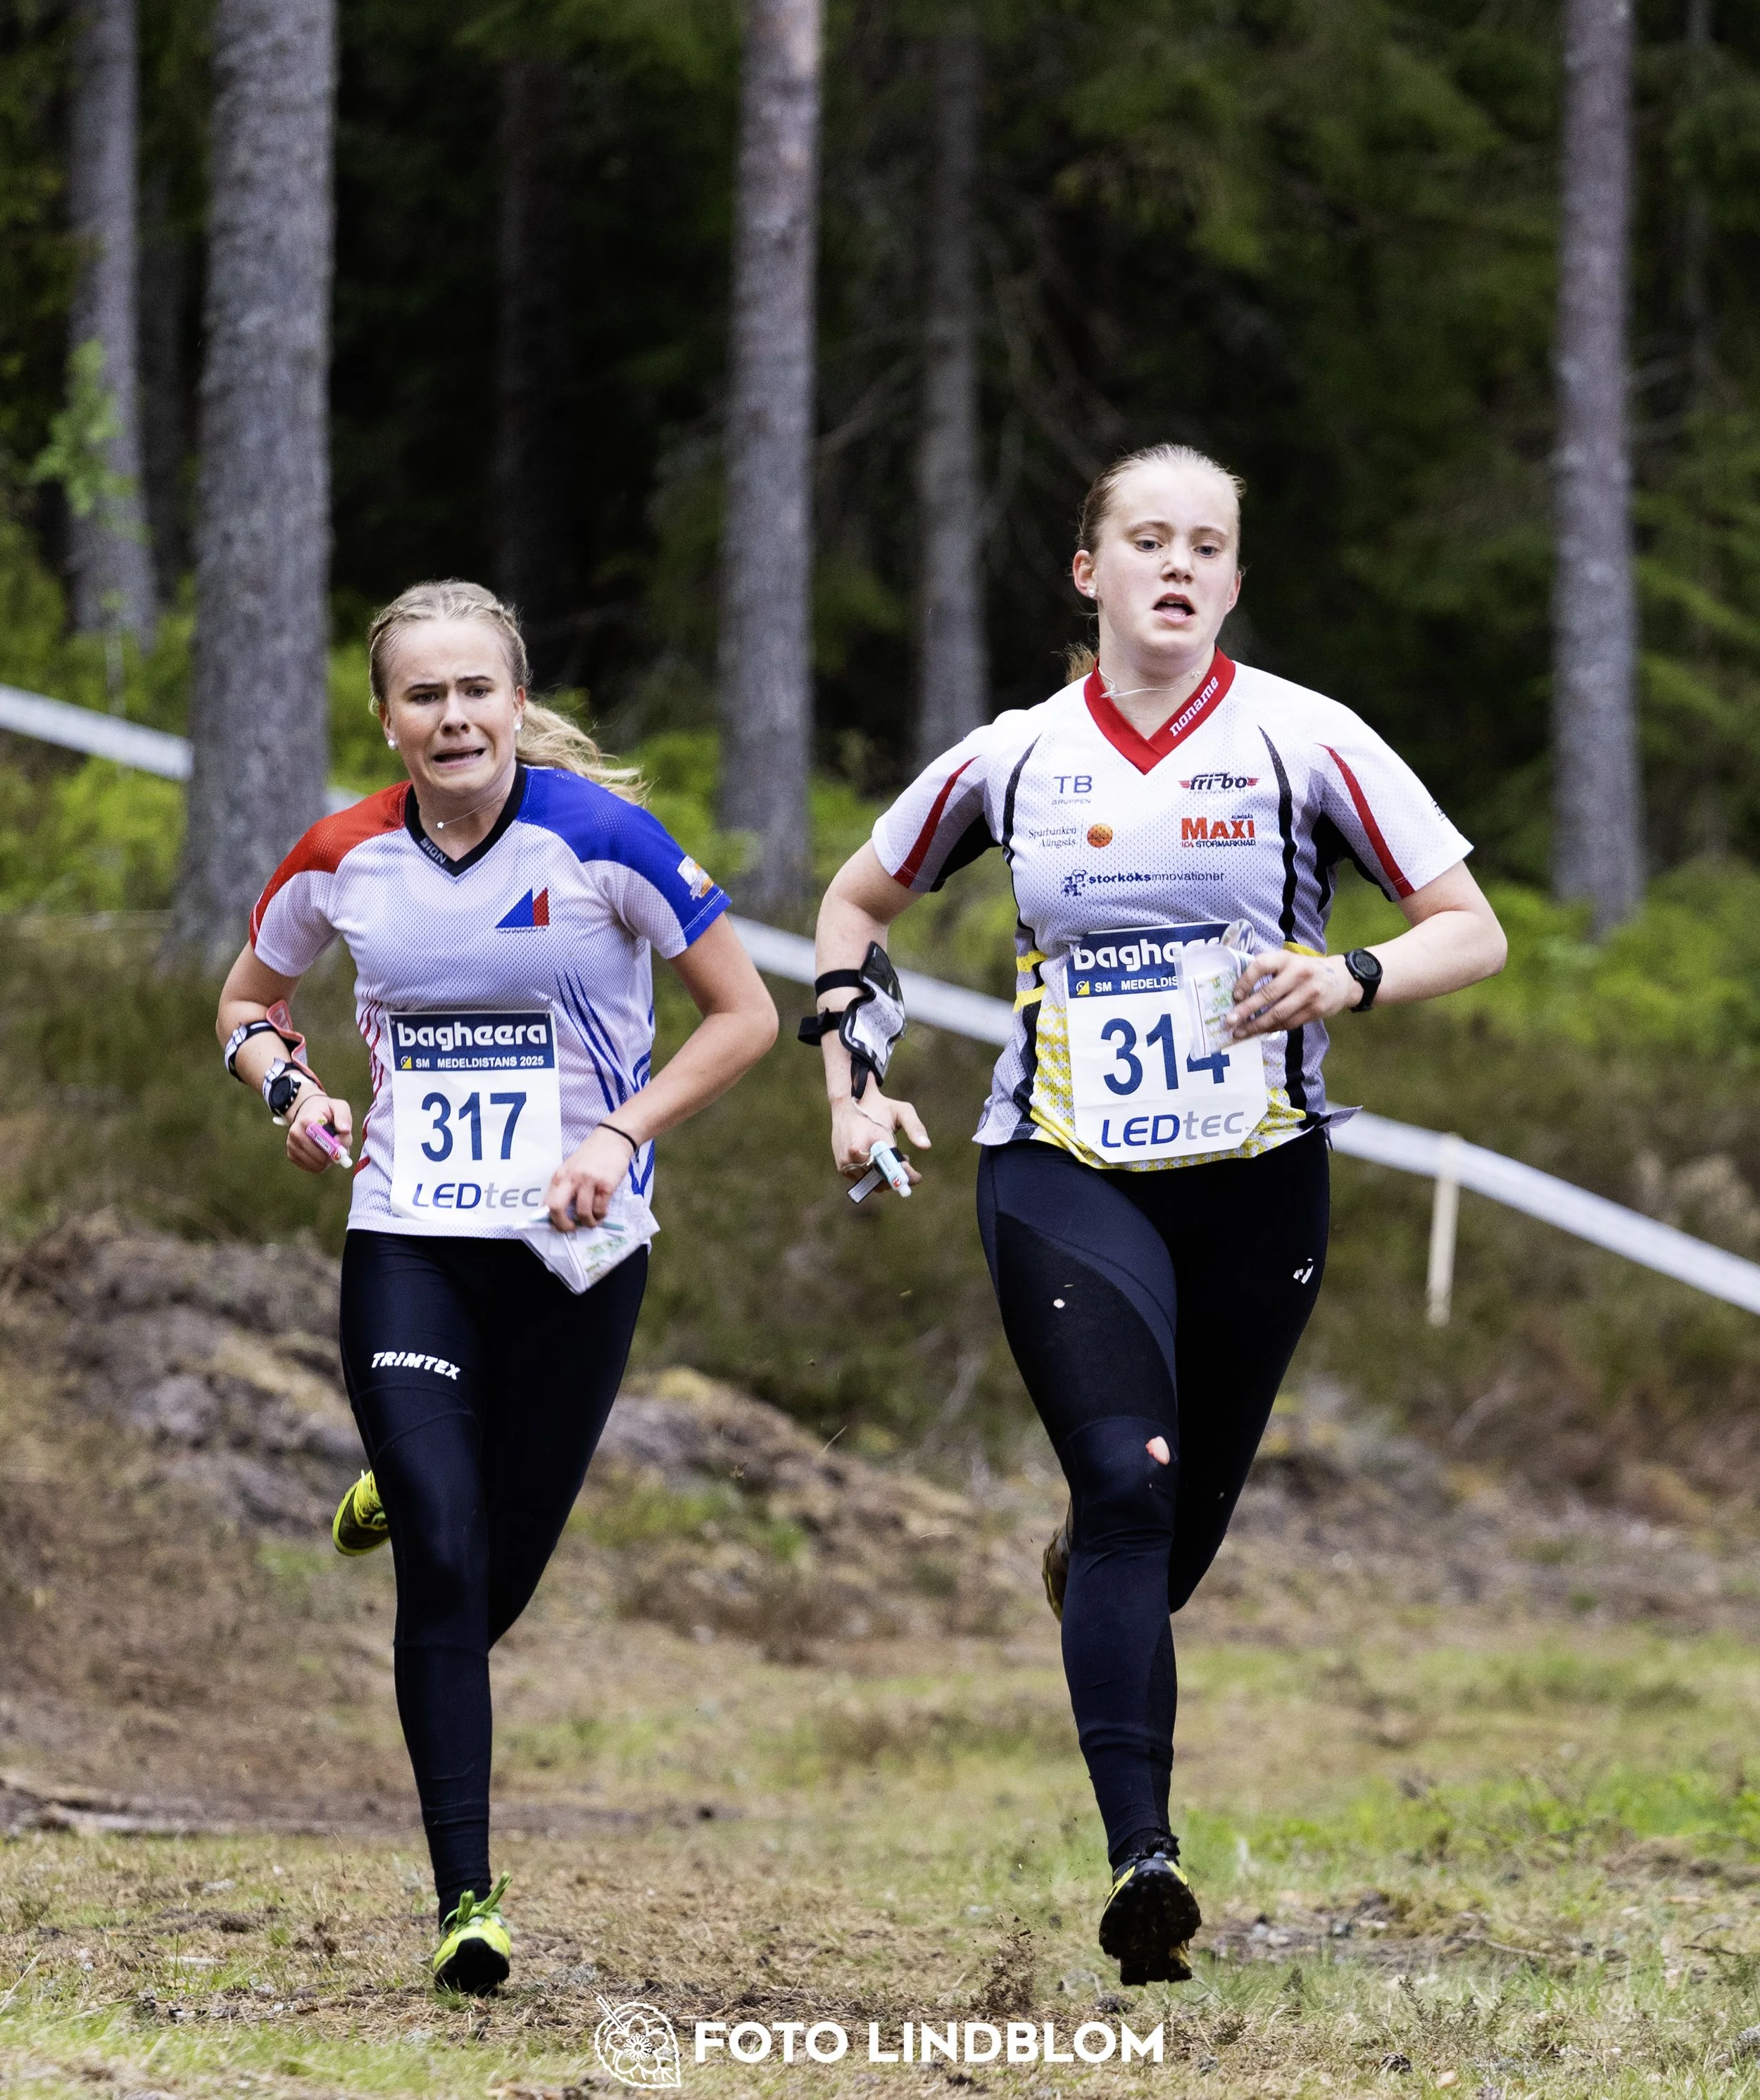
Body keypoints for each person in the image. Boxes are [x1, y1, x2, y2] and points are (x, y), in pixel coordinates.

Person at [810, 445, 1506, 1987]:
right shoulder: (1008, 757)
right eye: (1145, 538)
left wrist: (1349, 974)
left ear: (1233, 582)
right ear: (1090, 570)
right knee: (1127, 1484)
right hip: (1060, 1163)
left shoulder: (1301, 740)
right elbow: (853, 903)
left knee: (1165, 1536)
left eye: (1205, 545)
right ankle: (1144, 1861)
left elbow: (1473, 926)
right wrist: (855, 1075)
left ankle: (1103, 1558)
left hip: (1258, 1179)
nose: (1174, 564)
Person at [217, 580, 777, 1995]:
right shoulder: (340, 855)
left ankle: (405, 1492)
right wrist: (288, 1086)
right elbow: (245, 1003)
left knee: (493, 1575)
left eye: (477, 691)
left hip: (577, 1254)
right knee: (446, 1563)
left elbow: (747, 1012)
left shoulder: (602, 839)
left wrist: (617, 1132)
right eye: (425, 695)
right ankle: (466, 1896)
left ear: (516, 701)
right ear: (387, 715)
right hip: (409, 1234)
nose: (453, 717)